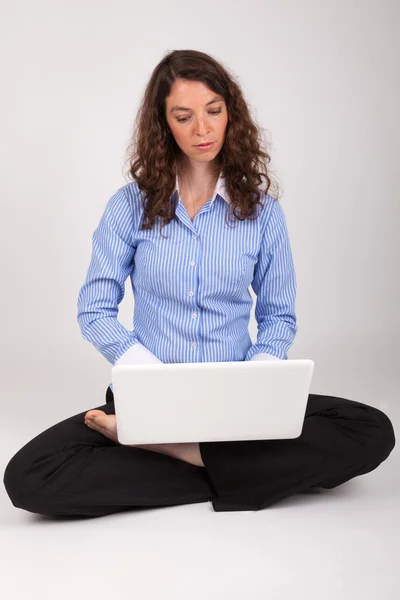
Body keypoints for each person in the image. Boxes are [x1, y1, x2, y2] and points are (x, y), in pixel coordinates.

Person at [3, 49, 395, 517]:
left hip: (239, 400)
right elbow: (95, 310)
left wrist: (258, 383)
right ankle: (246, 473)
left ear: (232, 114)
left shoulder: (263, 213)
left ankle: (181, 451)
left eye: (213, 111)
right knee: (29, 476)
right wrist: (149, 379)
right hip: (149, 393)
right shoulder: (129, 206)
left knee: (371, 429)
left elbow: (278, 316)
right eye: (184, 116)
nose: (202, 129)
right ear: (164, 124)